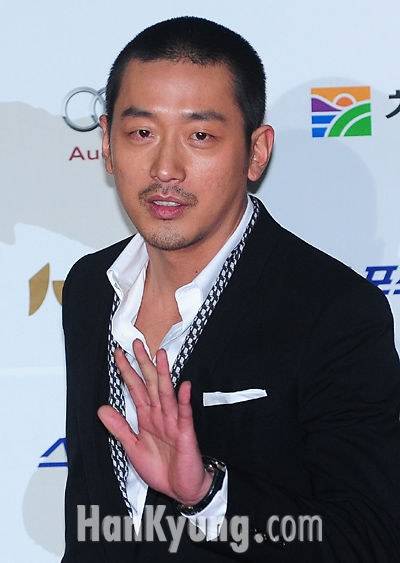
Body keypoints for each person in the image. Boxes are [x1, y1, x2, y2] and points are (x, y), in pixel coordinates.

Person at [61, 16, 400, 562]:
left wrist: (208, 495)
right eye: (142, 133)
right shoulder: (90, 287)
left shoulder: (333, 310)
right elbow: (91, 512)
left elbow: (369, 540)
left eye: (200, 136)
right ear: (106, 141)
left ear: (256, 151)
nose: (165, 169)